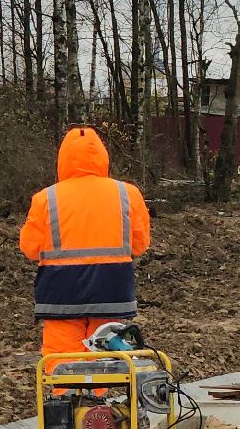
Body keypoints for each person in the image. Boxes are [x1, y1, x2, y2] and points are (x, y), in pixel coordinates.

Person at [18, 125, 152, 363]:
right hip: (112, 290)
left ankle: (67, 398)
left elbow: (30, 248)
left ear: (63, 159)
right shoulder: (127, 193)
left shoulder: (45, 198)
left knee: (62, 358)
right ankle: (97, 399)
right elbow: (140, 244)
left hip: (61, 294)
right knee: (103, 355)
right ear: (103, 157)